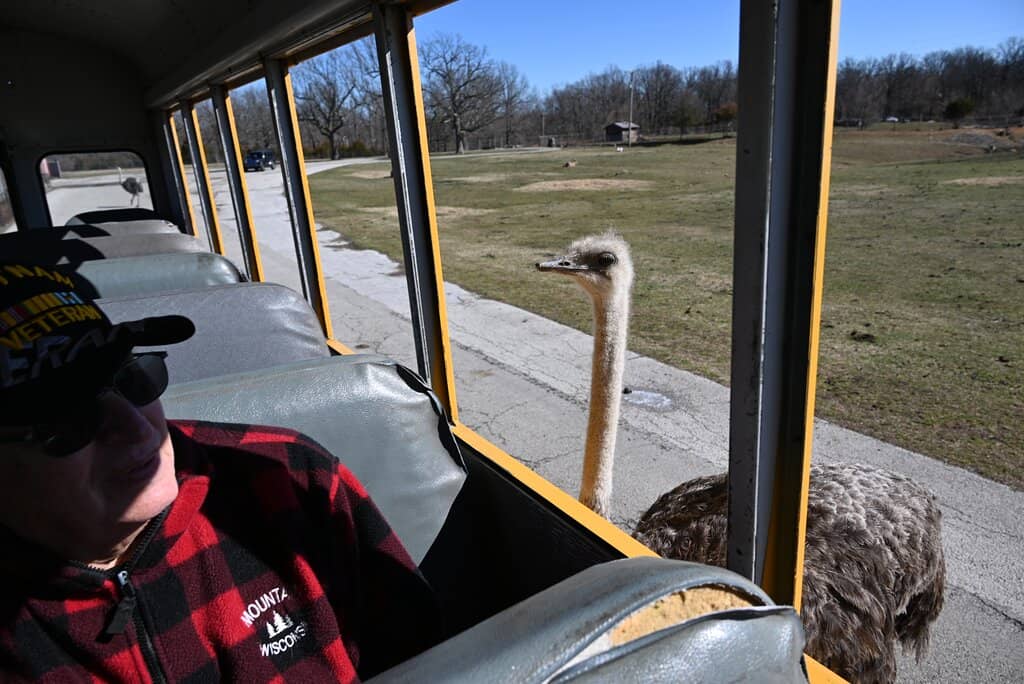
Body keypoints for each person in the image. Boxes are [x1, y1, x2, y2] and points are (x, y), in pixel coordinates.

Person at [0, 263, 441, 682]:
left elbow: (434, 664)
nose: (139, 430)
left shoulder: (289, 479)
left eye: (133, 378)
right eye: (70, 419)